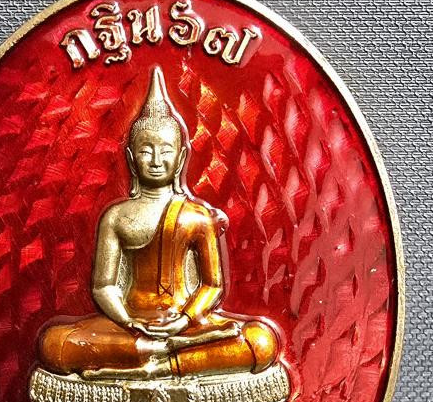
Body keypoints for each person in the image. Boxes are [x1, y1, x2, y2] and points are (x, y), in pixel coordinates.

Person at [39, 66, 278, 379]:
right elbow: (104, 286)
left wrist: (183, 320)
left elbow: (212, 285)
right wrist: (128, 321)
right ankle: (161, 353)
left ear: (180, 158)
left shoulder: (195, 216)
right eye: (146, 150)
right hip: (130, 326)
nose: (155, 160)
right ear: (131, 158)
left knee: (260, 340)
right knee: (54, 343)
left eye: (165, 151)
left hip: (187, 325)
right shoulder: (117, 216)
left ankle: (160, 363)